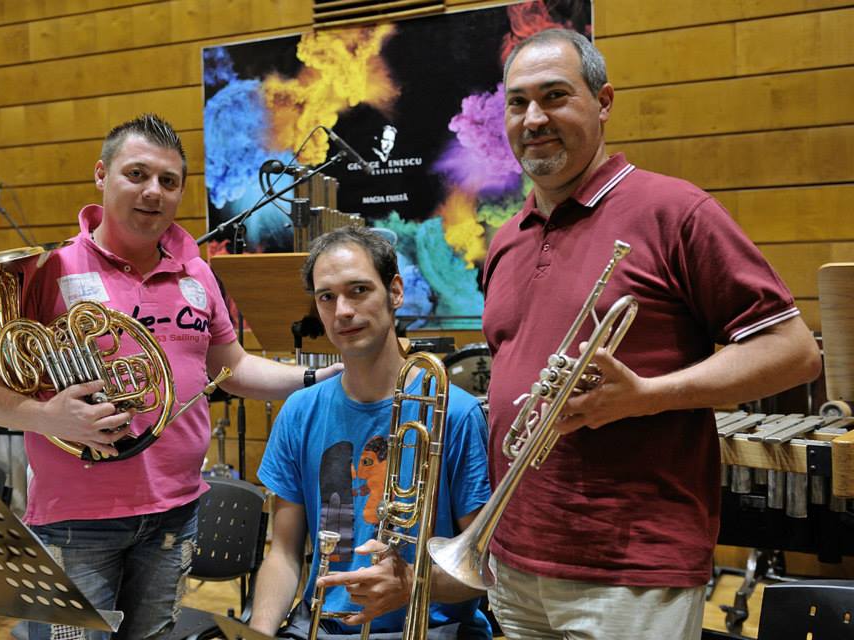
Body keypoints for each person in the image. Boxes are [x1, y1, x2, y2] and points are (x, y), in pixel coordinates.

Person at [481, 29, 822, 639]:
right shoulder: (507, 239)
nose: (533, 119)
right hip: (517, 558)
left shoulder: (675, 211)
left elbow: (792, 352)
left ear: (603, 101)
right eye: (517, 102)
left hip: (631, 568)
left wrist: (647, 396)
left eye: (555, 96)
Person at [0, 113, 339, 640]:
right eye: (137, 174)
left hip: (175, 514)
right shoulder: (49, 270)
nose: (153, 191)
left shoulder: (197, 272)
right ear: (101, 175)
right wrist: (45, 415)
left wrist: (316, 378)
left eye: (168, 181)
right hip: (76, 522)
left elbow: (234, 368)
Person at [250, 226, 493, 639]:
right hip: (324, 628)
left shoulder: (456, 413)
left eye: (359, 290)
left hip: (429, 630)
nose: (342, 310)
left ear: (395, 292)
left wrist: (413, 584)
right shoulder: (299, 412)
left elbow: (485, 570)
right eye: (327, 297)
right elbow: (284, 555)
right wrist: (259, 633)